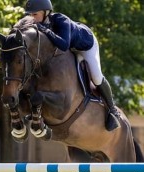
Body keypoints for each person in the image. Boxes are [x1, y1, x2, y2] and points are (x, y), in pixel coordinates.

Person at [24, 0, 120, 131]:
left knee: (96, 77)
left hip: (85, 46)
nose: (32, 18)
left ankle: (113, 110)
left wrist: (45, 30)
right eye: (29, 15)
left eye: (34, 14)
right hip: (69, 50)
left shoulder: (61, 20)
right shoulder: (37, 25)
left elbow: (63, 45)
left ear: (45, 12)